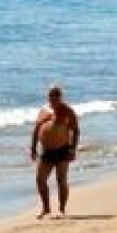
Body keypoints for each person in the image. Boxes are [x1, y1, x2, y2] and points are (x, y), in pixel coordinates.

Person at [29, 85, 80, 219]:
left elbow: (75, 131)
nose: (54, 97)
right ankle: (46, 208)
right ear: (48, 96)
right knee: (40, 179)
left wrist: (73, 149)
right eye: (51, 95)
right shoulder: (43, 110)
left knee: (61, 180)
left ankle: (62, 209)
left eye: (57, 95)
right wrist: (33, 148)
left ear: (61, 96)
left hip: (62, 149)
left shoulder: (68, 111)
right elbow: (36, 130)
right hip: (45, 151)